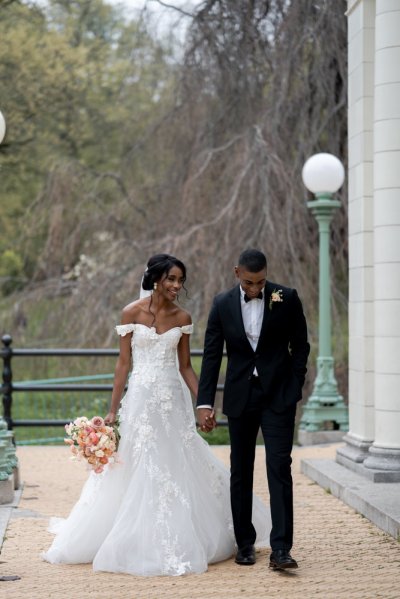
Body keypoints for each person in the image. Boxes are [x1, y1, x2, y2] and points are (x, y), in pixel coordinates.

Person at [42, 253, 271, 576]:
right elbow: (123, 364)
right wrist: (111, 410)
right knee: (138, 461)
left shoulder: (182, 317)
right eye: (171, 279)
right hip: (140, 400)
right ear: (155, 280)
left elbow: (186, 367)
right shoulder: (130, 314)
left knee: (176, 458)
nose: (177, 286)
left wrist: (204, 403)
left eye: (180, 280)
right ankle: (130, 535)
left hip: (172, 400)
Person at [197, 249, 310, 571]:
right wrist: (205, 402)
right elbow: (211, 356)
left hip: (278, 398)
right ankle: (245, 544)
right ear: (237, 273)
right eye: (249, 282)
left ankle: (281, 549)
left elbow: (300, 345)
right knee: (241, 470)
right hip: (240, 397)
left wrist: (295, 384)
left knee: (279, 467)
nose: (255, 289)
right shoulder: (221, 304)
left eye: (260, 282)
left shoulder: (287, 298)